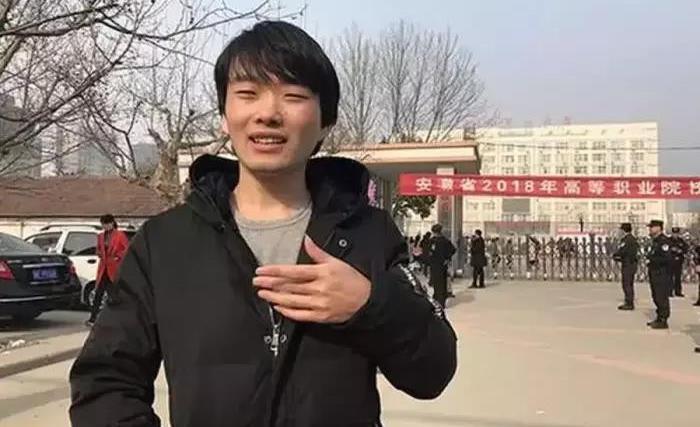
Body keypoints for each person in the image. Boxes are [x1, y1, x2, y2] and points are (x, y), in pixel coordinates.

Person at [69, 21, 457, 427]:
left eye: (293, 96)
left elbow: (433, 372)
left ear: (325, 122)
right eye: (247, 94)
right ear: (224, 116)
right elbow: (104, 383)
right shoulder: (165, 242)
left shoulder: (368, 233)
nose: (268, 114)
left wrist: (370, 304)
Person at [85, 214, 129, 327]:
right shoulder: (101, 236)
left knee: (114, 295)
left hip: (114, 269)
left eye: (106, 224)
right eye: (103, 224)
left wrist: (118, 257)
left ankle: (119, 319)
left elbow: (126, 250)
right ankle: (93, 318)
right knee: (98, 293)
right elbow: (98, 249)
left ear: (112, 223)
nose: (105, 226)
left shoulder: (120, 235)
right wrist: (99, 253)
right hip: (103, 268)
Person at [645, 220, 673, 329]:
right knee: (656, 295)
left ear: (658, 228)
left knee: (661, 296)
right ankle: (659, 316)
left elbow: (667, 258)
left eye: (652, 227)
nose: (650, 229)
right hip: (654, 272)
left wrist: (652, 260)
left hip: (661, 273)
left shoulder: (664, 241)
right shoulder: (655, 241)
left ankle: (663, 319)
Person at [428, 224, 456, 308]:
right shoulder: (445, 241)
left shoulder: (432, 241)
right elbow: (453, 250)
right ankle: (441, 300)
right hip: (442, 264)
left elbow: (429, 252)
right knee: (442, 283)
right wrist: (447, 258)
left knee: (436, 282)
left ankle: (437, 299)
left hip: (435, 264)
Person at [612, 222, 639, 310]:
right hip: (630, 263)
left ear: (624, 230)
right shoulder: (631, 239)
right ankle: (628, 301)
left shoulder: (627, 240)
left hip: (628, 264)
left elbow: (623, 251)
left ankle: (629, 302)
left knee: (627, 284)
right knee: (628, 283)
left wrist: (616, 255)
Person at [668, 227, 689, 297]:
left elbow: (686, 248)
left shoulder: (681, 241)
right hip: (670, 261)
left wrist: (681, 251)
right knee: (670, 277)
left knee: (678, 277)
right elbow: (666, 249)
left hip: (679, 261)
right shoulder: (668, 240)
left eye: (676, 233)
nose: (675, 235)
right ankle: (669, 292)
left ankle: (678, 291)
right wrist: (672, 250)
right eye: (674, 233)